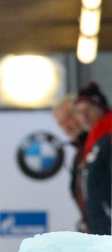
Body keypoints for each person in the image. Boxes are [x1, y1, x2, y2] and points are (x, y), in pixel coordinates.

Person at [73, 83, 112, 235]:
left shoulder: (108, 137)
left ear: (101, 108)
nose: (83, 116)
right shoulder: (95, 139)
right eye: (79, 112)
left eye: (88, 110)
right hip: (100, 225)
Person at [52, 94, 90, 231]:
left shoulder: (100, 146)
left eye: (68, 118)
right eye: (60, 123)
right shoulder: (79, 152)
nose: (66, 127)